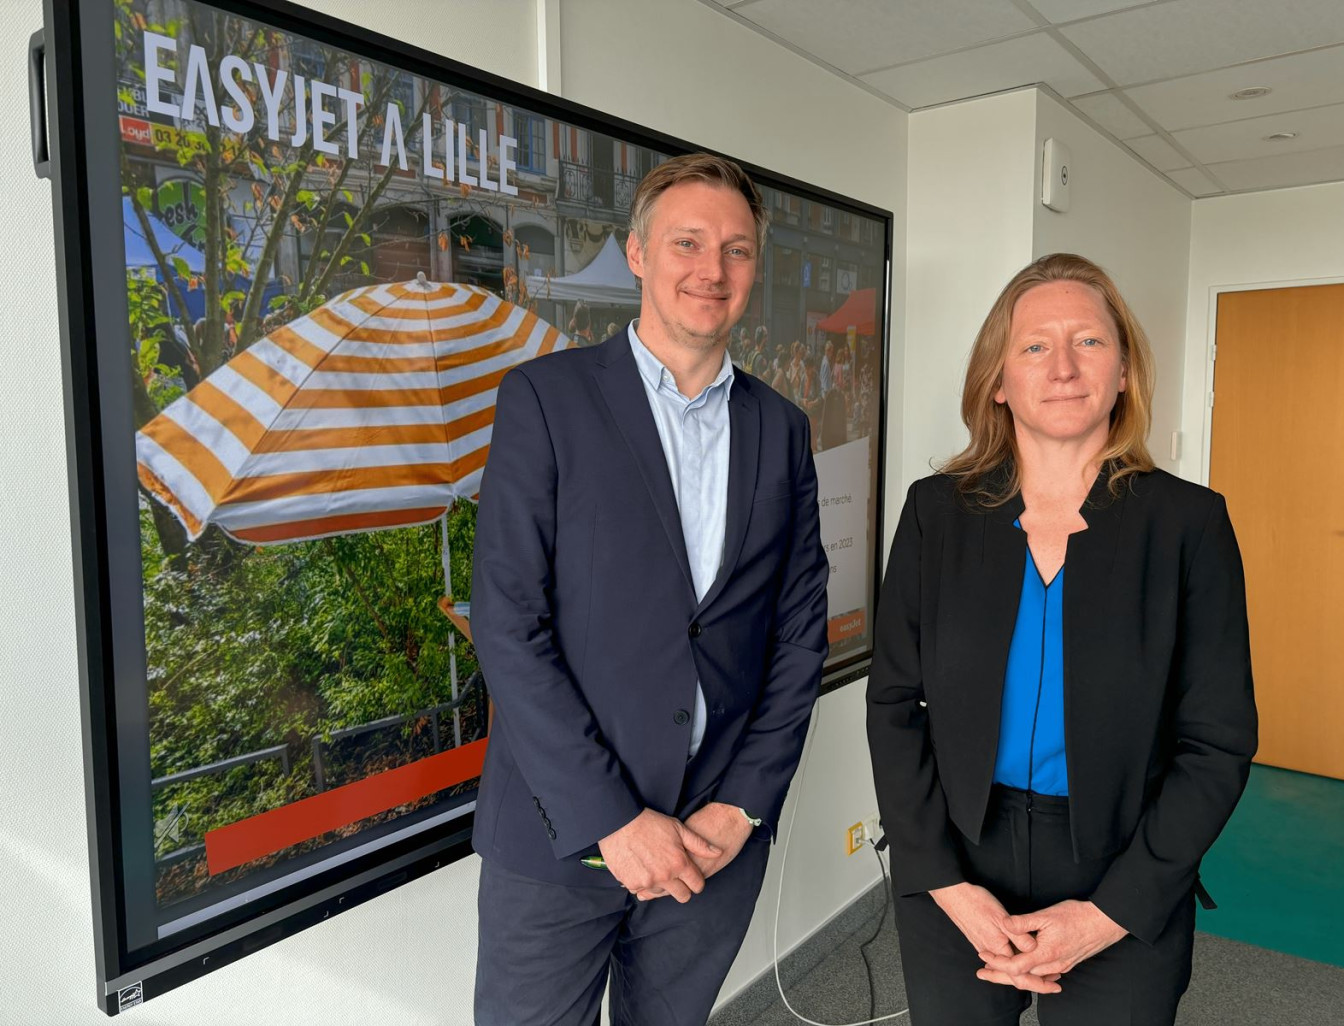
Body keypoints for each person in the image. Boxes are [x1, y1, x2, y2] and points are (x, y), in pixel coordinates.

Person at [471, 152, 830, 1026]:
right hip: (563, 841)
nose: (712, 270)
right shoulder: (546, 400)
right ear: (637, 254)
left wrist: (746, 803)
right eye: (688, 243)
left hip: (713, 844)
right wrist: (611, 821)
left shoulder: (781, 429)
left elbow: (796, 635)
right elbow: (508, 623)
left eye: (737, 250)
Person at [866, 253, 1257, 1026]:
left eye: (1090, 342)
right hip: (957, 862)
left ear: (1123, 375)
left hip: (1123, 865)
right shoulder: (935, 514)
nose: (1065, 366)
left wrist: (1110, 913)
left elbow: (1216, 743)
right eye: (1035, 346)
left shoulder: (1188, 525)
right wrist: (942, 880)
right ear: (999, 380)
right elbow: (893, 704)